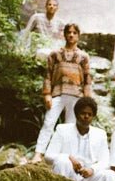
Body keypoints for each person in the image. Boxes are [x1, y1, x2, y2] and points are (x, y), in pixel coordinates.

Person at [30, 23, 92, 164]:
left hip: (76, 95)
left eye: (74, 33)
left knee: (71, 126)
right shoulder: (54, 54)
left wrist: (87, 100)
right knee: (48, 122)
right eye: (69, 32)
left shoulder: (83, 57)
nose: (71, 35)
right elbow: (47, 75)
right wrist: (47, 94)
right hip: (58, 93)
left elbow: (87, 78)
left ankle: (68, 157)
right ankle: (38, 153)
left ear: (78, 36)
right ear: (64, 35)